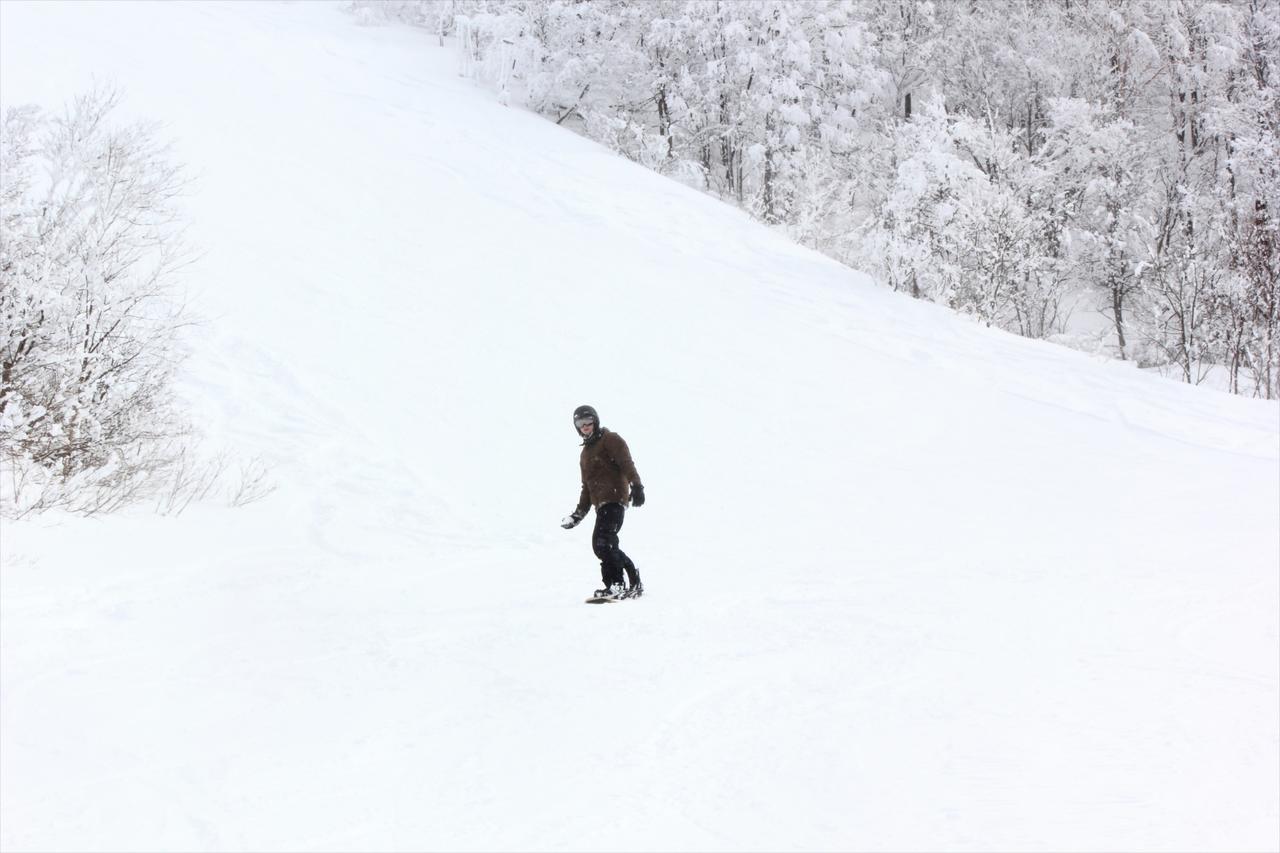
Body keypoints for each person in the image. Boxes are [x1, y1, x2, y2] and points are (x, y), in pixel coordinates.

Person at [560, 404, 645, 600]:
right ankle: (632, 577)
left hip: (615, 499)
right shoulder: (585, 455)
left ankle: (616, 585)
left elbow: (626, 463)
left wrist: (637, 485)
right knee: (604, 545)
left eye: (588, 421)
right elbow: (587, 488)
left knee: (602, 542)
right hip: (601, 504)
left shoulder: (610, 439)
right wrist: (577, 515)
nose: (585, 426)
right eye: (580, 423)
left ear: (595, 421)